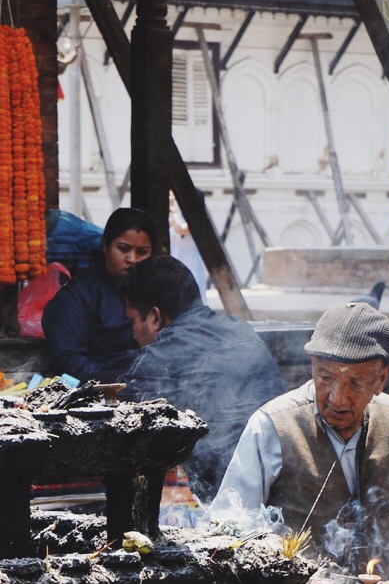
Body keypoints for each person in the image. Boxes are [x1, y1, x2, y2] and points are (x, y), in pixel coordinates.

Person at [213, 302, 389, 582]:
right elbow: (229, 526)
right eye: (325, 377)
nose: (337, 398)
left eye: (355, 383)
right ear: (312, 367)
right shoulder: (272, 425)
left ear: (381, 379)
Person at [121, 255, 286, 499]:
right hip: (282, 477)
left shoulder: (158, 358)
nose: (133, 333)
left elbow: (121, 429)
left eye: (132, 321)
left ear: (155, 317)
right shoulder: (239, 328)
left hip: (224, 496)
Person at [42, 207, 156, 381]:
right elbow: (67, 358)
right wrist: (120, 382)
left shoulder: (158, 289)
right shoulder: (78, 295)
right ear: (105, 245)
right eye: (123, 249)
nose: (132, 259)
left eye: (142, 252)